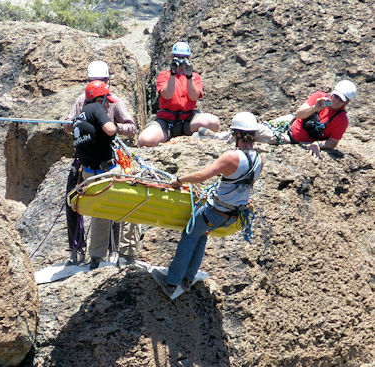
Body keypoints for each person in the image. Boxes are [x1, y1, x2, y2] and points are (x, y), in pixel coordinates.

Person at [152, 112, 263, 297]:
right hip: (233, 215)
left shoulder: (231, 157)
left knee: (189, 235)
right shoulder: (259, 159)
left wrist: (179, 180)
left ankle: (172, 282)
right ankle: (187, 279)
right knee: (201, 234)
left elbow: (202, 176)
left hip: (216, 211)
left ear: (237, 134)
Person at [65, 61, 141, 266]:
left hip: (96, 160)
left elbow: (131, 128)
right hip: (99, 162)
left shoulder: (111, 102)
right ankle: (83, 249)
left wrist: (112, 127)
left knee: (101, 208)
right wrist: (104, 127)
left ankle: (103, 253)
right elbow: (69, 124)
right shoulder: (92, 104)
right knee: (127, 203)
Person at [137, 41, 220, 147]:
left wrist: (189, 76)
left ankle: (193, 134)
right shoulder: (164, 75)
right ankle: (167, 135)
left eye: (184, 58)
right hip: (167, 120)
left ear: (188, 58)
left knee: (214, 123)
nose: (181, 61)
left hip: (188, 119)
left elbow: (193, 96)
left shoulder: (195, 76)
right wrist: (172, 73)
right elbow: (167, 95)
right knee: (145, 140)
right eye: (177, 57)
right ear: (172, 57)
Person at [255, 80, 357, 158]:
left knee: (255, 132)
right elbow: (299, 114)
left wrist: (319, 144)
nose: (336, 101)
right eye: (336, 96)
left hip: (290, 138)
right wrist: (315, 108)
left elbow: (333, 142)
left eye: (341, 100)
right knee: (257, 126)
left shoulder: (341, 120)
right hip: (290, 121)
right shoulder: (319, 97)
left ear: (346, 103)